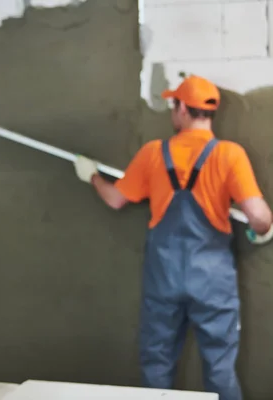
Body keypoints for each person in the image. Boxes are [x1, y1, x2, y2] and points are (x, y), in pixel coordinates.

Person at [73, 75, 272, 400]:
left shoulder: (154, 153)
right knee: (220, 371)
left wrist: (92, 175)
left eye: (172, 104)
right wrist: (260, 231)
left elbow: (114, 199)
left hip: (163, 279)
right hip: (213, 283)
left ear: (182, 108)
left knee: (157, 368)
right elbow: (261, 218)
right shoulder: (229, 155)